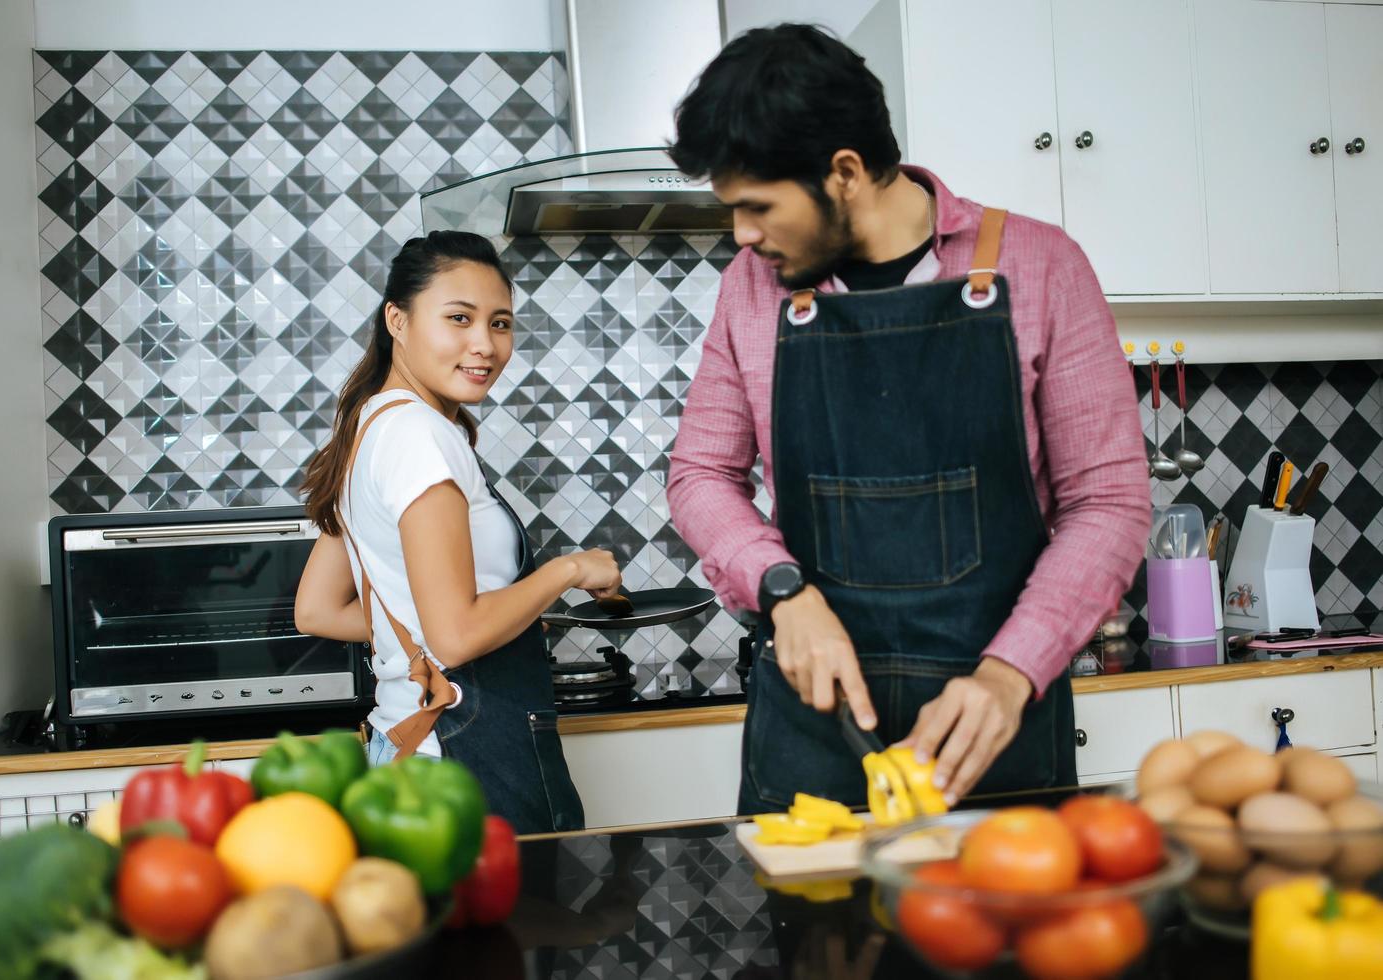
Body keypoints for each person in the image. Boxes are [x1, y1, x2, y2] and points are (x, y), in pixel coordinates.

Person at [665, 25, 1150, 814]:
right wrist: (784, 591)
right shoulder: (750, 289)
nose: (742, 236)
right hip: (815, 728)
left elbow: (1109, 502)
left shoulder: (1042, 267)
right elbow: (700, 476)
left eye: (757, 207)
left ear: (845, 172)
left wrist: (1011, 672)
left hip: (992, 722)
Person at [294, 230, 622, 833]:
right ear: (397, 319)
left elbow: (316, 610)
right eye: (459, 318)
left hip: (404, 747)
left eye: (500, 323)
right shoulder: (420, 436)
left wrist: (501, 615)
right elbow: (457, 635)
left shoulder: (368, 425)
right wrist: (568, 571)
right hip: (467, 755)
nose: (485, 345)